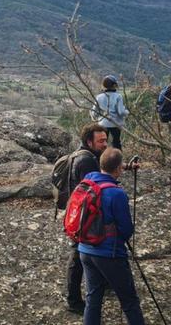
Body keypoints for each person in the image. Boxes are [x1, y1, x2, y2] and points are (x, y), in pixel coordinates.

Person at [78, 148, 144, 325]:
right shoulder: (117, 193)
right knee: (129, 300)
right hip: (109, 253)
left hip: (84, 249)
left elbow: (110, 165)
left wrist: (126, 165)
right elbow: (126, 229)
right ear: (118, 169)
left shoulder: (89, 179)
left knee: (93, 299)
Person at [62, 123, 109, 314]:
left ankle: (102, 283)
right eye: (101, 141)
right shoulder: (87, 161)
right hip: (83, 217)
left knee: (86, 253)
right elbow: (92, 189)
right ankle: (73, 300)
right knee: (78, 256)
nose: (105, 144)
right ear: (89, 141)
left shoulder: (83, 155)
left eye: (106, 140)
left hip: (78, 214)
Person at [90, 75, 129, 149]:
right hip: (115, 124)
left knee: (102, 143)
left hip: (103, 124)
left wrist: (96, 119)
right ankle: (117, 159)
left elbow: (93, 112)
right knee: (116, 143)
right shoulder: (118, 96)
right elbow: (120, 112)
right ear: (114, 85)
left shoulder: (99, 97)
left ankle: (101, 159)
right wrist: (127, 112)